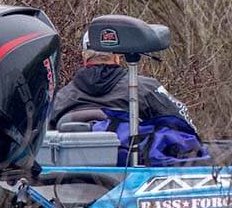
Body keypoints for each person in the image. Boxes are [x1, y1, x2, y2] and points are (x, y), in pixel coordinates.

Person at [49, 31, 198, 132]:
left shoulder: (60, 97)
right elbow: (186, 128)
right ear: (117, 56)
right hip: (135, 174)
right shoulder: (147, 89)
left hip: (69, 177)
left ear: (84, 56)